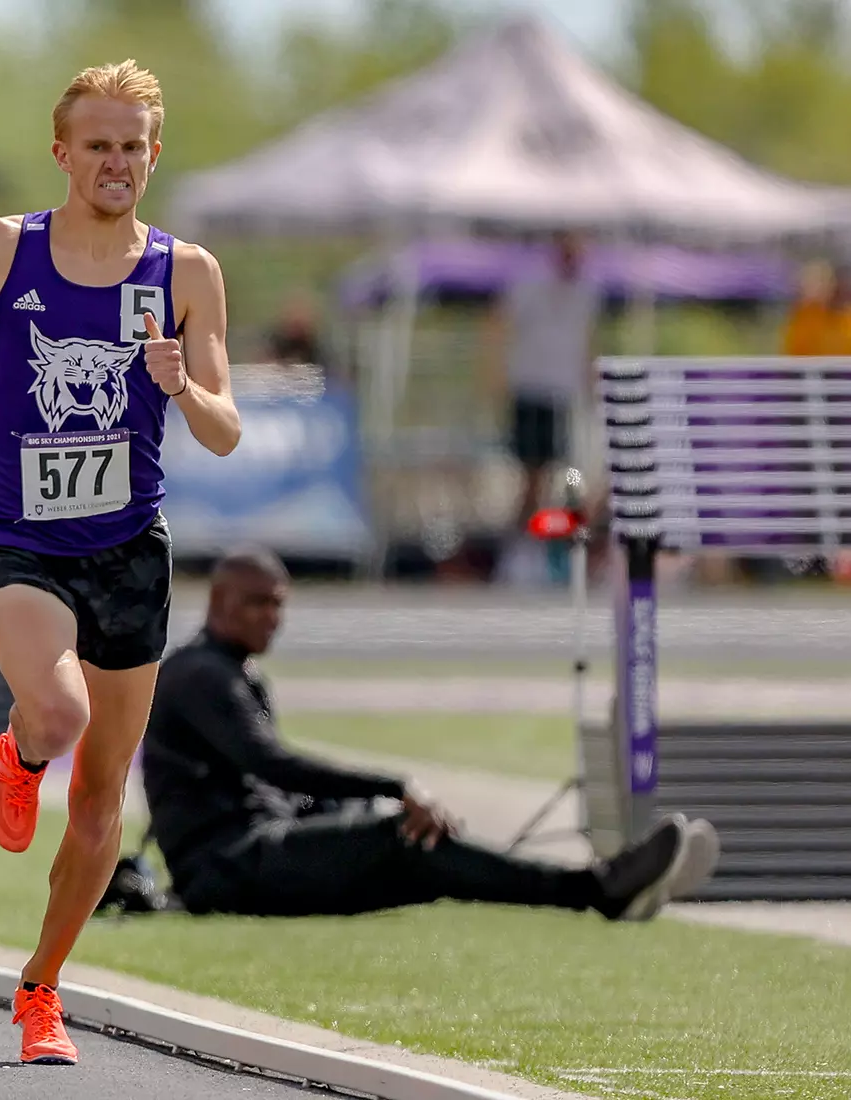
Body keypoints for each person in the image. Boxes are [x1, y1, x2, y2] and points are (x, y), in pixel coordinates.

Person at [0, 61, 240, 1065]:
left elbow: (224, 429)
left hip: (130, 547)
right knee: (63, 713)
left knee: (104, 793)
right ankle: (22, 749)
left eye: (133, 146)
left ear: (153, 156)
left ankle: (42, 987)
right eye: (98, 145)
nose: (116, 161)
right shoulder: (1, 248)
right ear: (62, 152)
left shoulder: (188, 273)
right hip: (19, 535)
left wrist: (182, 385)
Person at [141, 549, 722, 922]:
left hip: (252, 853)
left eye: (278, 605)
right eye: (256, 604)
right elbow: (270, 764)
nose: (271, 617)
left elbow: (269, 784)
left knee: (413, 845)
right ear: (218, 602)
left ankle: (610, 890)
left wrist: (353, 805)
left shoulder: (229, 671)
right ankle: (600, 888)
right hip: (226, 867)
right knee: (406, 839)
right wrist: (394, 786)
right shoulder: (200, 674)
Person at [484, 231, 599, 584]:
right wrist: (496, 376)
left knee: (566, 475)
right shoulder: (530, 285)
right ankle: (519, 549)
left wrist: (590, 385)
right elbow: (498, 325)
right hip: (532, 390)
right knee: (532, 476)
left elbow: (585, 342)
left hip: (564, 396)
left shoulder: (586, 293)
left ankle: (547, 546)